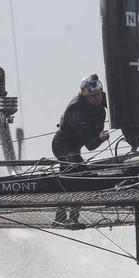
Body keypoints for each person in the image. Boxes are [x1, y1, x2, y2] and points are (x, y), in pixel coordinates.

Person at [50, 74, 109, 228]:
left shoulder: (101, 105)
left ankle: (62, 218)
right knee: (79, 176)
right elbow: (90, 145)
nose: (96, 99)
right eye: (92, 97)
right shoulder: (79, 112)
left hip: (75, 148)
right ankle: (70, 219)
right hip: (62, 145)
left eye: (98, 95)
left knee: (69, 180)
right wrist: (100, 139)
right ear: (85, 96)